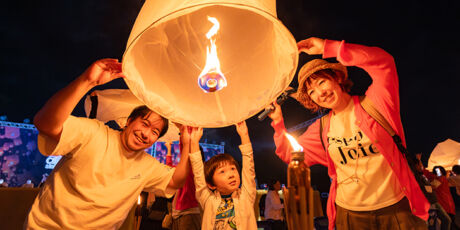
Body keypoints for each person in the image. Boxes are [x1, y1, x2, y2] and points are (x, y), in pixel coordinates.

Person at [268, 37, 429, 230]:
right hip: (350, 216)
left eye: (321, 82)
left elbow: (383, 62)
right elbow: (290, 154)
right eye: (311, 92)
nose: (320, 93)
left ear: (337, 78)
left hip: (396, 210)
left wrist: (330, 47)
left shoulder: (377, 104)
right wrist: (278, 122)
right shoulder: (321, 128)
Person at [25, 58, 191, 229]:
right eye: (144, 124)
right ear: (129, 121)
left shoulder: (147, 165)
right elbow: (45, 124)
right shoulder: (94, 133)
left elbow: (175, 182)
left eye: (155, 132)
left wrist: (187, 143)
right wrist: (87, 81)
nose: (146, 134)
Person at [189, 122, 257, 230]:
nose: (231, 174)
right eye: (222, 172)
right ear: (211, 185)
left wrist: (244, 135)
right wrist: (194, 142)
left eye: (233, 169)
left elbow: (249, 166)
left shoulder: (246, 196)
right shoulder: (207, 199)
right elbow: (198, 172)